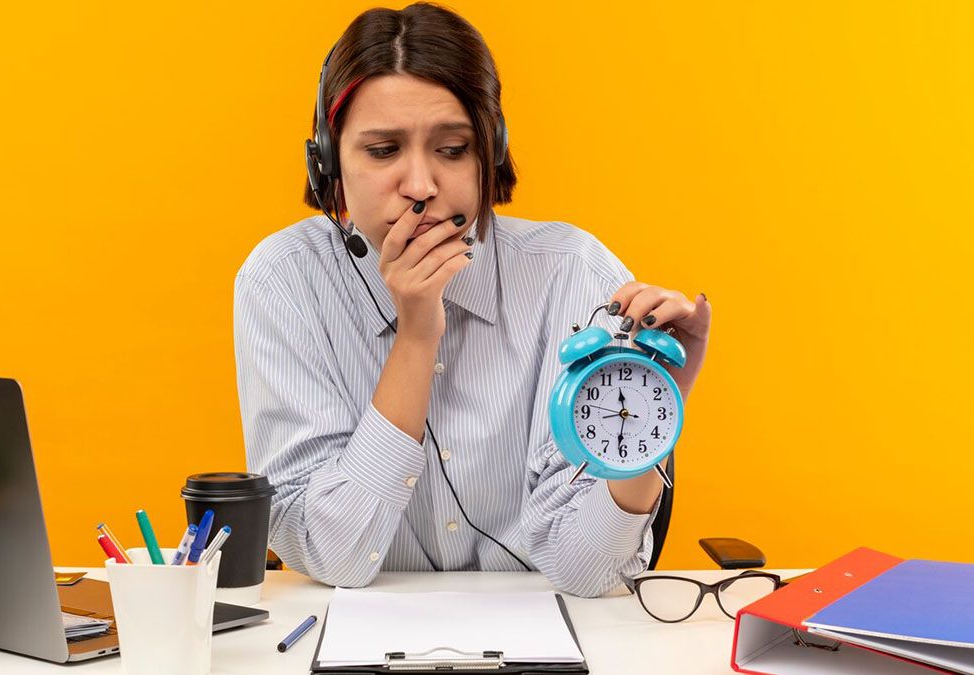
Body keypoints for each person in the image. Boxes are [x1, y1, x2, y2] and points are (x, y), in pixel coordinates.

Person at [234, 2, 711, 598]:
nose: (420, 186)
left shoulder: (573, 273)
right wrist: (416, 336)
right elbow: (336, 553)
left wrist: (650, 422)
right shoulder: (284, 281)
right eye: (383, 151)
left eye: (453, 149)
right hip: (349, 638)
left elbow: (587, 574)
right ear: (329, 162)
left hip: (546, 643)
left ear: (492, 152)